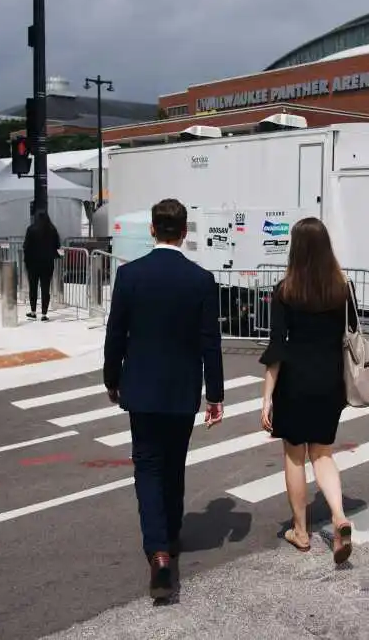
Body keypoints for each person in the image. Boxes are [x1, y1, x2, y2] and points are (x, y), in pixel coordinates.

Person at [104, 198, 225, 599]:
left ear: (152, 230)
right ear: (184, 232)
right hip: (182, 388)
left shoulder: (130, 275)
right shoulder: (201, 280)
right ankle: (171, 536)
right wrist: (216, 394)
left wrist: (112, 379)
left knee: (148, 466)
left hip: (140, 387)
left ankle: (157, 550)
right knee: (174, 465)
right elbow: (211, 343)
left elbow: (116, 334)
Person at [259, 217, 355, 564]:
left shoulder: (285, 290)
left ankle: (300, 531)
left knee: (295, 455)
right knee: (324, 453)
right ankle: (339, 517)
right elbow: (352, 334)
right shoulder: (342, 288)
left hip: (295, 381)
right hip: (331, 380)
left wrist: (267, 396)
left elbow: (276, 349)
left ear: (295, 249)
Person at [22, 210, 61, 321]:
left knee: (33, 287)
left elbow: (26, 246)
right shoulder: (52, 230)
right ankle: (44, 314)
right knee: (45, 288)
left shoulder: (31, 229)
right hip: (47, 263)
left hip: (32, 264)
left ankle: (33, 312)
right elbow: (57, 245)